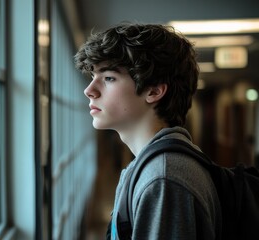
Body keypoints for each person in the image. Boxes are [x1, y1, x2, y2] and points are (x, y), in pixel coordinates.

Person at [74, 23, 221, 239]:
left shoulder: (164, 178)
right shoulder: (153, 165)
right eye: (93, 77)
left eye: (109, 78)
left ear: (153, 91)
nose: (89, 91)